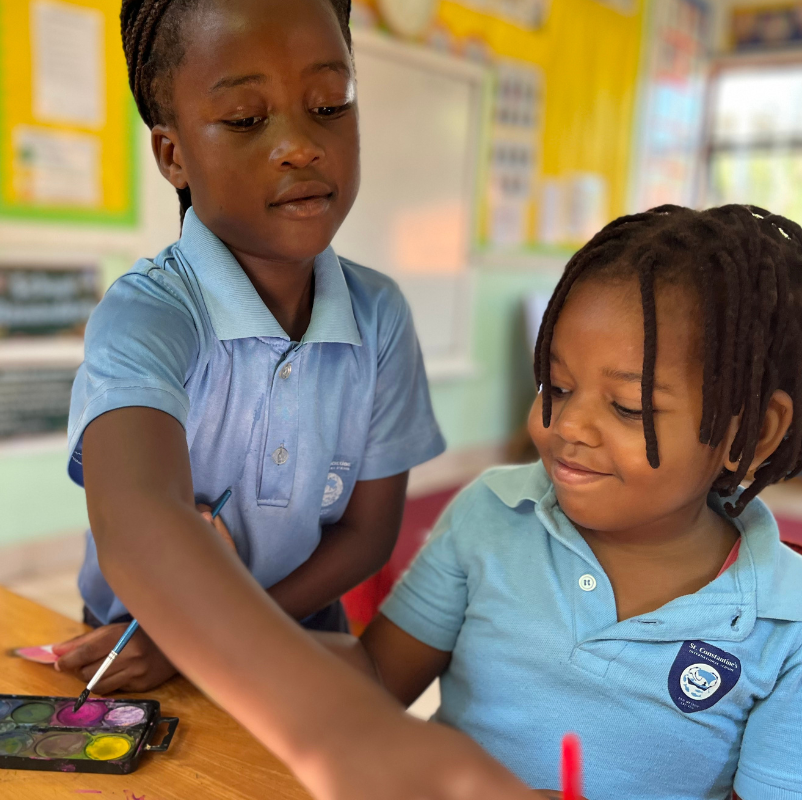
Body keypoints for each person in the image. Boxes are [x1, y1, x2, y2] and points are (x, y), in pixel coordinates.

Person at [57, 1, 536, 798]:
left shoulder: (379, 317)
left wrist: (197, 643)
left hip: (307, 644)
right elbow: (138, 520)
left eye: (330, 105)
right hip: (128, 654)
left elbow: (367, 533)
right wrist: (341, 732)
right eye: (246, 118)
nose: (300, 145)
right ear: (173, 154)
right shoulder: (149, 314)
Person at [324, 205, 802, 799]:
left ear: (751, 436)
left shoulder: (792, 624)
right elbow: (369, 687)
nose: (567, 425)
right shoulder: (491, 515)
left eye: (628, 408)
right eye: (556, 387)